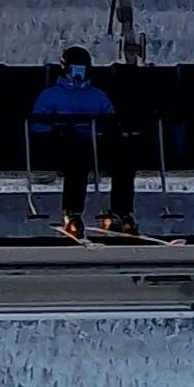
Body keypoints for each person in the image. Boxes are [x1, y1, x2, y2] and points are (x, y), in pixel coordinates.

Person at [27, 43, 140, 240]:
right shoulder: (51, 95)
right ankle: (72, 213)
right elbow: (38, 127)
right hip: (64, 149)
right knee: (76, 159)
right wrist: (59, 131)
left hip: (94, 146)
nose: (77, 74)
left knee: (124, 160)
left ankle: (121, 213)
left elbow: (111, 121)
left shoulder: (96, 96)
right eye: (73, 69)